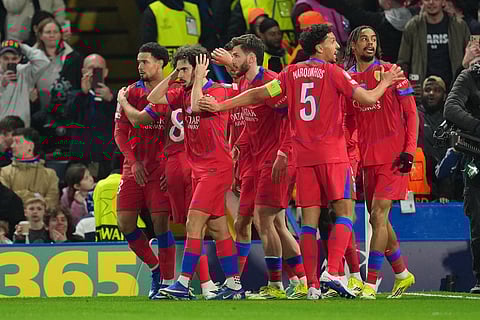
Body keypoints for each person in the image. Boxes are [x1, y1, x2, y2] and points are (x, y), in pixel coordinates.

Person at [198, 23, 405, 299]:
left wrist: (222, 106)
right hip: (332, 154)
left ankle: (312, 286)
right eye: (332, 42)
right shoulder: (335, 72)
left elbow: (258, 94)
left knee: (309, 222)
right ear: (320, 47)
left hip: (304, 156)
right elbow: (367, 99)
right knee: (345, 213)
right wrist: (386, 83)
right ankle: (332, 270)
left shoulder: (290, 73)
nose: (337, 47)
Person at [119, 44, 245, 300]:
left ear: (199, 68)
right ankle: (234, 285)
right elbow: (154, 98)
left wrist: (198, 77)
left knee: (193, 223)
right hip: (199, 168)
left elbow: (198, 107)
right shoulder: (182, 92)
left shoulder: (217, 91)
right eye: (178, 69)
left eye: (185, 69)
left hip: (215, 168)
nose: (181, 74)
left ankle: (184, 284)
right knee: (219, 228)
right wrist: (174, 75)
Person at [211, 34, 307, 300]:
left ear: (251, 58)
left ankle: (281, 284)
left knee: (268, 221)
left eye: (237, 57)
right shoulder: (242, 82)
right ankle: (238, 284)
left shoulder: (272, 83)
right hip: (251, 162)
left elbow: (290, 119)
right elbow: (250, 123)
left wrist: (283, 153)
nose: (232, 62)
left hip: (272, 162)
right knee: (248, 222)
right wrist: (237, 149)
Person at [343, 25, 418, 299]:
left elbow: (411, 115)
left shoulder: (392, 72)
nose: (369, 43)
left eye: (373, 39)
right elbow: (348, 121)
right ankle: (402, 273)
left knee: (377, 216)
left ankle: (371, 282)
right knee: (380, 222)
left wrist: (409, 150)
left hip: (394, 158)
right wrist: (349, 155)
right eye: (363, 39)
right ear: (353, 46)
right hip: (367, 159)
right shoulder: (349, 79)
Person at [114, 42, 175, 299]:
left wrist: (170, 165)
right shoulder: (131, 92)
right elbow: (119, 132)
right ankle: (155, 267)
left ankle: (167, 283)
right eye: (138, 62)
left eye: (145, 61)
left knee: (161, 225)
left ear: (161, 63)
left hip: (161, 168)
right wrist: (133, 161)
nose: (140, 67)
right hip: (134, 168)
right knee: (125, 223)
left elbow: (178, 134)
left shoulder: (174, 92)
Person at [443, 56, 480, 294]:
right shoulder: (471, 76)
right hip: (477, 158)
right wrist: (477, 126)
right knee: (478, 222)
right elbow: (451, 108)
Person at [397, 0, 470, 89]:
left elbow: (470, 58)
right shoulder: (413, 26)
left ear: (443, 1)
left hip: (453, 88)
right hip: (422, 90)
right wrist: (406, 87)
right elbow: (403, 62)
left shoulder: (459, 26)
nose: (431, 2)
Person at [67, 53, 116, 180]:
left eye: (98, 68)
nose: (94, 72)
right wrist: (83, 94)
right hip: (80, 158)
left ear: (105, 72)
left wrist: (110, 99)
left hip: (106, 158)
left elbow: (124, 120)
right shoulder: (74, 96)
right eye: (90, 68)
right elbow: (69, 115)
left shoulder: (116, 98)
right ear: (83, 71)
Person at [0, 127, 59, 210]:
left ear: (30, 146)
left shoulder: (50, 174)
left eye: (16, 142)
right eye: (12, 142)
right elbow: (6, 201)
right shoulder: (4, 172)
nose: (12, 146)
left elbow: (52, 203)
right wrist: (35, 196)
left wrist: (20, 195)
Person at [0, 39, 49, 127]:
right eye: (6, 58)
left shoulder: (24, 72)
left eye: (14, 58)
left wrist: (23, 47)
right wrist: (2, 85)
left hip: (21, 127)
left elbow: (43, 62)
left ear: (19, 58)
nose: (10, 62)